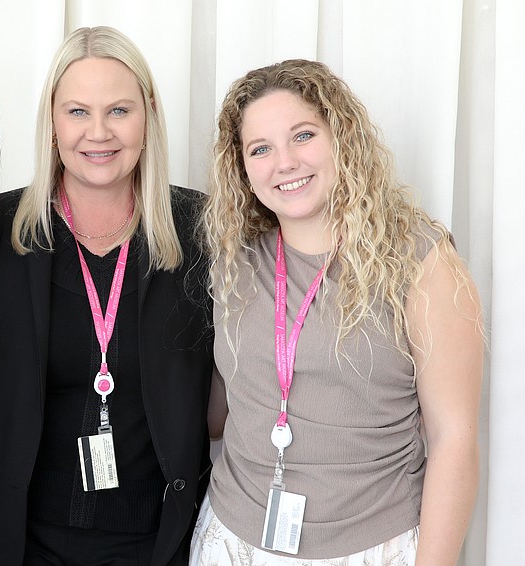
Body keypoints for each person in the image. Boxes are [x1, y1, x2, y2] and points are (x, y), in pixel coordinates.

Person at [193, 59, 483, 565]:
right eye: (260, 148)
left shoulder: (422, 262)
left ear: (342, 138)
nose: (284, 162)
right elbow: (221, 411)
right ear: (241, 168)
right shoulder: (236, 261)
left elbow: (454, 440)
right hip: (231, 541)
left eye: (303, 136)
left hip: (372, 547)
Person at [0, 26, 214, 565]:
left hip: (160, 541)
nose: (99, 132)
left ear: (148, 119)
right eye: (77, 112)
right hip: (17, 540)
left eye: (119, 110)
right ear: (52, 123)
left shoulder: (204, 230)